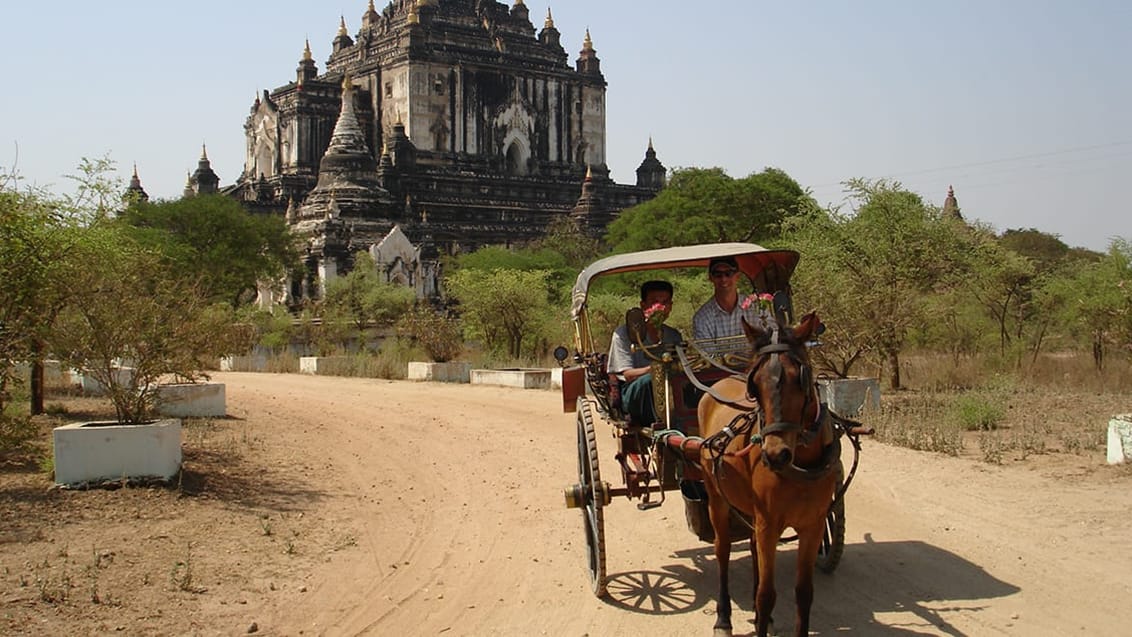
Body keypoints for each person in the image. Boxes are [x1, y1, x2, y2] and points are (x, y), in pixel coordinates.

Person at [607, 280, 683, 425]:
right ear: (643, 306)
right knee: (650, 381)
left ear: (671, 307)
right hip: (636, 391)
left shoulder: (673, 335)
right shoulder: (624, 334)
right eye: (655, 302)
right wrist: (654, 369)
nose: (660, 308)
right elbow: (628, 375)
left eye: (665, 302)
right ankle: (661, 426)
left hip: (671, 389)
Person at [692, 256, 766, 341]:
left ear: (737, 276)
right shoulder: (702, 318)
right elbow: (707, 353)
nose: (724, 279)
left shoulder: (757, 307)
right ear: (710, 278)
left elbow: (772, 338)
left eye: (728, 273)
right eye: (718, 275)